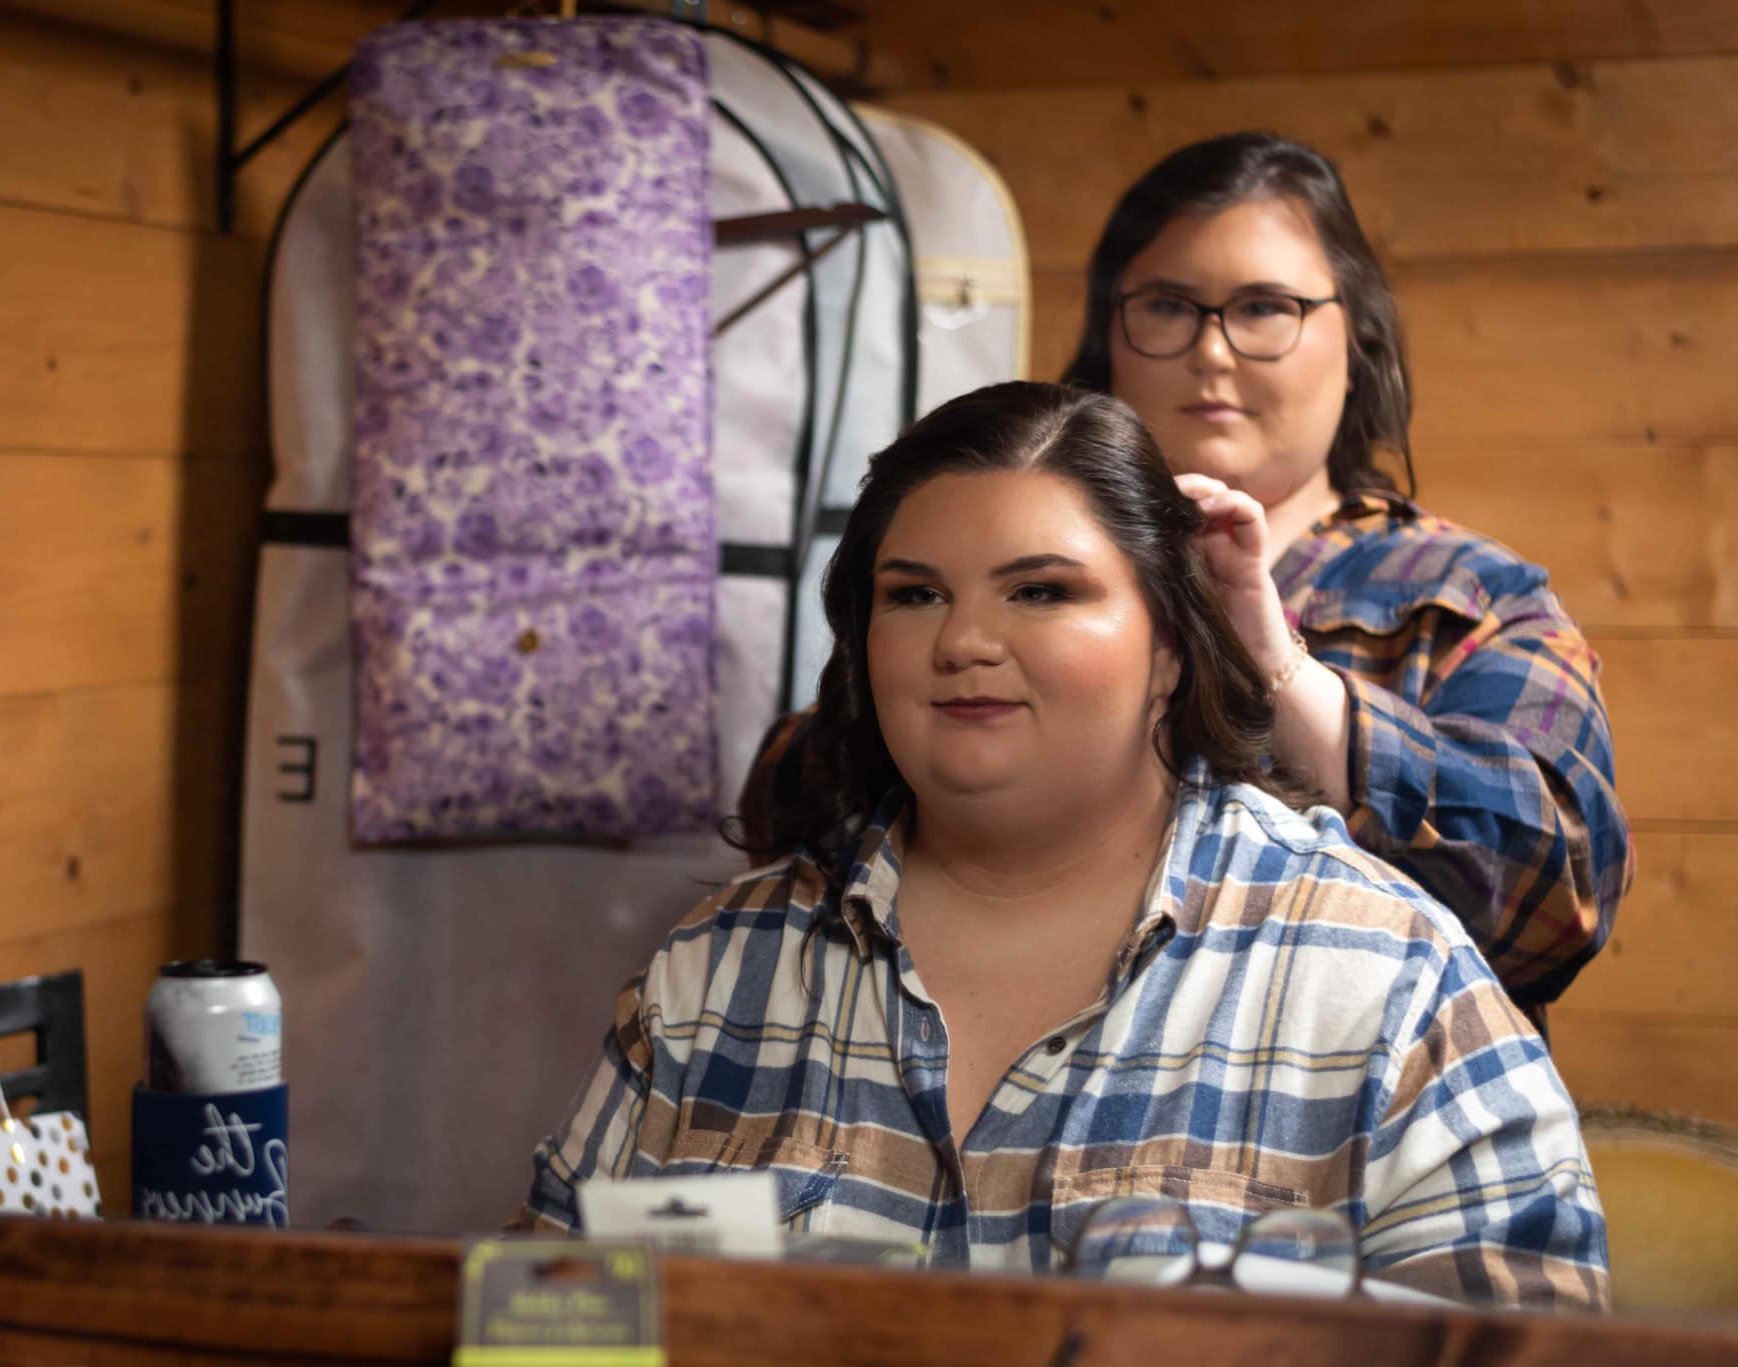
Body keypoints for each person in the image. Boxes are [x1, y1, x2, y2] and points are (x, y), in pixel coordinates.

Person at [517, 384, 1607, 1308]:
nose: (963, 642)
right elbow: (541, 1326)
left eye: (1041, 590)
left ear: (1173, 649)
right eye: (913, 595)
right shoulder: (719, 967)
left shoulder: (1384, 978)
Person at [747, 132, 1631, 1024]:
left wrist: (1279, 677)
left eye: (1264, 306)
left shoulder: (1471, 596)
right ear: (1108, 338)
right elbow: (789, 804)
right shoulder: (969, 558)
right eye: (1168, 306)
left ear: (1357, 337)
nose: (1212, 350)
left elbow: (1558, 897)